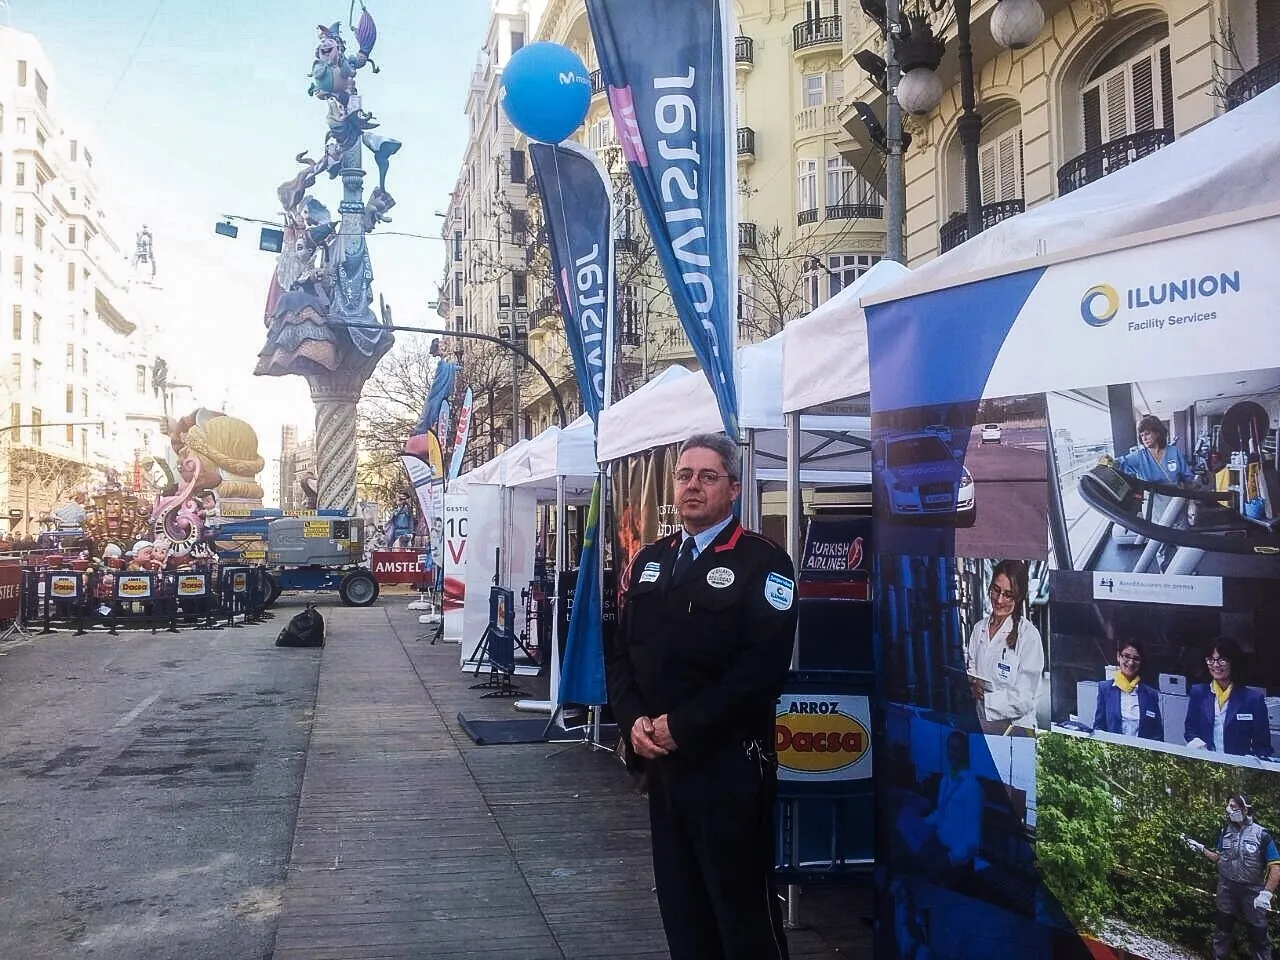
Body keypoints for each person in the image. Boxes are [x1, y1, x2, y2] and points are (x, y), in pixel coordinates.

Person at [605, 432, 797, 960]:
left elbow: (758, 674)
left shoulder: (763, 562)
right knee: (681, 910)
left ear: (733, 488)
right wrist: (633, 722)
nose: (693, 486)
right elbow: (621, 655)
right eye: (685, 475)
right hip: (663, 770)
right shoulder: (650, 560)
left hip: (728, 769)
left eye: (707, 476)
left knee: (741, 916)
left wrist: (680, 727)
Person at [1183, 793, 1279, 960]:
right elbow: (1219, 857)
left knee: (1258, 934)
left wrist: (1267, 893)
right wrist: (1200, 848)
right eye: (1229, 806)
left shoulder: (1261, 835)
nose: (1230, 810)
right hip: (1226, 888)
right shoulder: (1226, 831)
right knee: (1222, 930)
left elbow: (1275, 868)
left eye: (1234, 807)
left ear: (1245, 809)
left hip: (1252, 892)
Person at [964, 560, 1044, 730]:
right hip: (981, 725)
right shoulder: (979, 629)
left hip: (1015, 730)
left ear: (1019, 596)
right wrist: (971, 685)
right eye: (996, 590)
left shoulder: (1028, 635)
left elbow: (1025, 697)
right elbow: (971, 670)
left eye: (1008, 594)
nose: (999, 600)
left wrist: (986, 699)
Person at [1184, 638, 1273, 758]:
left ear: (1233, 662)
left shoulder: (1253, 699)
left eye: (1222, 660)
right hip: (1207, 764)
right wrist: (1196, 743)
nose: (1215, 665)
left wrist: (1252, 761)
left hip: (1240, 768)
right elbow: (1190, 729)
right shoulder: (1198, 693)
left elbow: (1263, 746)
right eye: (1211, 660)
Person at [920, 730, 983, 876]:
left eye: (956, 749)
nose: (951, 753)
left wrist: (951, 859)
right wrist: (921, 823)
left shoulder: (972, 787)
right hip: (941, 848)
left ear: (964, 752)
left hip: (958, 861)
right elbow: (941, 813)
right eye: (949, 748)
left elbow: (973, 839)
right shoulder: (946, 780)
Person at [1093, 640, 1164, 741]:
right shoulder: (1105, 689)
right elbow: (1099, 727)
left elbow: (1157, 734)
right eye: (1126, 656)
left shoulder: (1151, 694)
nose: (1131, 663)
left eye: (1136, 659)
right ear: (1118, 656)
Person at [1116, 414, 1196, 485]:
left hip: (1175, 499)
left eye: (1147, 434)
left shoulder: (1174, 452)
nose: (1144, 438)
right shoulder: (1139, 456)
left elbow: (1188, 478)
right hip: (1152, 500)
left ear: (1157, 433)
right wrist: (1109, 461)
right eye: (1142, 435)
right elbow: (1119, 463)